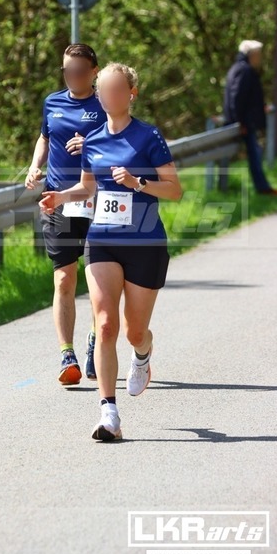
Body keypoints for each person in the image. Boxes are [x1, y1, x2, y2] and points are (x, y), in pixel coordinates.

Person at [40, 63, 183, 441]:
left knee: (134, 331)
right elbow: (88, 188)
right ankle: (109, 414)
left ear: (131, 93)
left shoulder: (148, 136)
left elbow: (174, 189)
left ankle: (143, 352)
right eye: (104, 90)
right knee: (105, 325)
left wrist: (139, 183)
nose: (109, 97)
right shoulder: (93, 139)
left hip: (144, 242)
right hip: (102, 238)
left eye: (117, 90)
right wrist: (60, 197)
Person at [25, 44, 107, 385]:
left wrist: (90, 146)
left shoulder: (105, 104)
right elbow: (44, 137)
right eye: (67, 71)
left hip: (98, 200)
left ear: (93, 72)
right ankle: (66, 354)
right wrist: (35, 165)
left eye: (78, 71)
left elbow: (121, 146)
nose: (72, 76)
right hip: (59, 199)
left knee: (99, 280)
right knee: (63, 278)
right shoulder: (52, 102)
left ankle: (96, 340)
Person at [224, 40, 277, 195]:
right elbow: (237, 97)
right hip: (244, 123)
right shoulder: (245, 71)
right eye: (258, 54)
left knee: (255, 153)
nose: (260, 58)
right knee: (255, 154)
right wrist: (240, 122)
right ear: (252, 54)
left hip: (243, 122)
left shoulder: (238, 68)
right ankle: (263, 188)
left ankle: (263, 187)